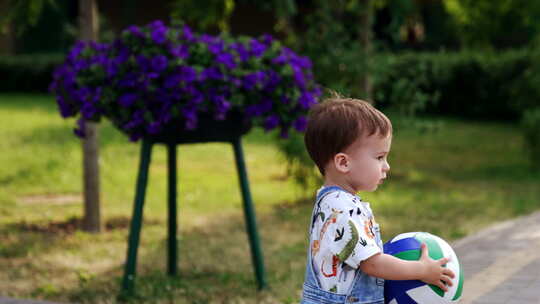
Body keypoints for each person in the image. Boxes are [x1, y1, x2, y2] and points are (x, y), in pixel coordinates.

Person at [300, 97, 455, 304]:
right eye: (380, 157)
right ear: (344, 162)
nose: (386, 166)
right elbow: (372, 264)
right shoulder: (341, 208)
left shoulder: (332, 200)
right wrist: (422, 270)